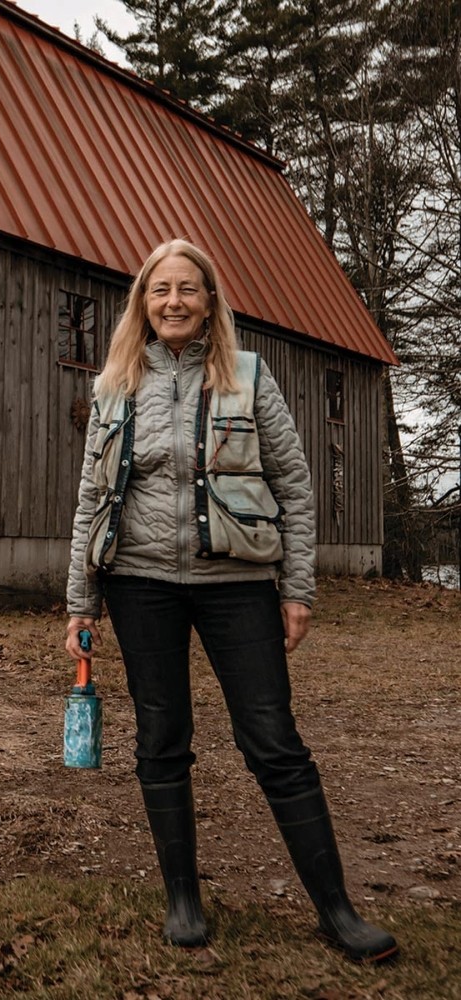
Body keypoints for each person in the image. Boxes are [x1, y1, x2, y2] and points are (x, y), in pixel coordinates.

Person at [65, 239, 398, 964]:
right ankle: (183, 899)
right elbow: (92, 496)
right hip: (138, 584)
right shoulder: (114, 383)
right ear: (142, 303)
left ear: (210, 300)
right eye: (160, 291)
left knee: (273, 743)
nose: (173, 302)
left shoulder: (247, 376)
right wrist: (79, 604)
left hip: (236, 586)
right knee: (160, 737)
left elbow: (294, 484)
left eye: (187, 289)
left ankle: (335, 909)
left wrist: (297, 589)